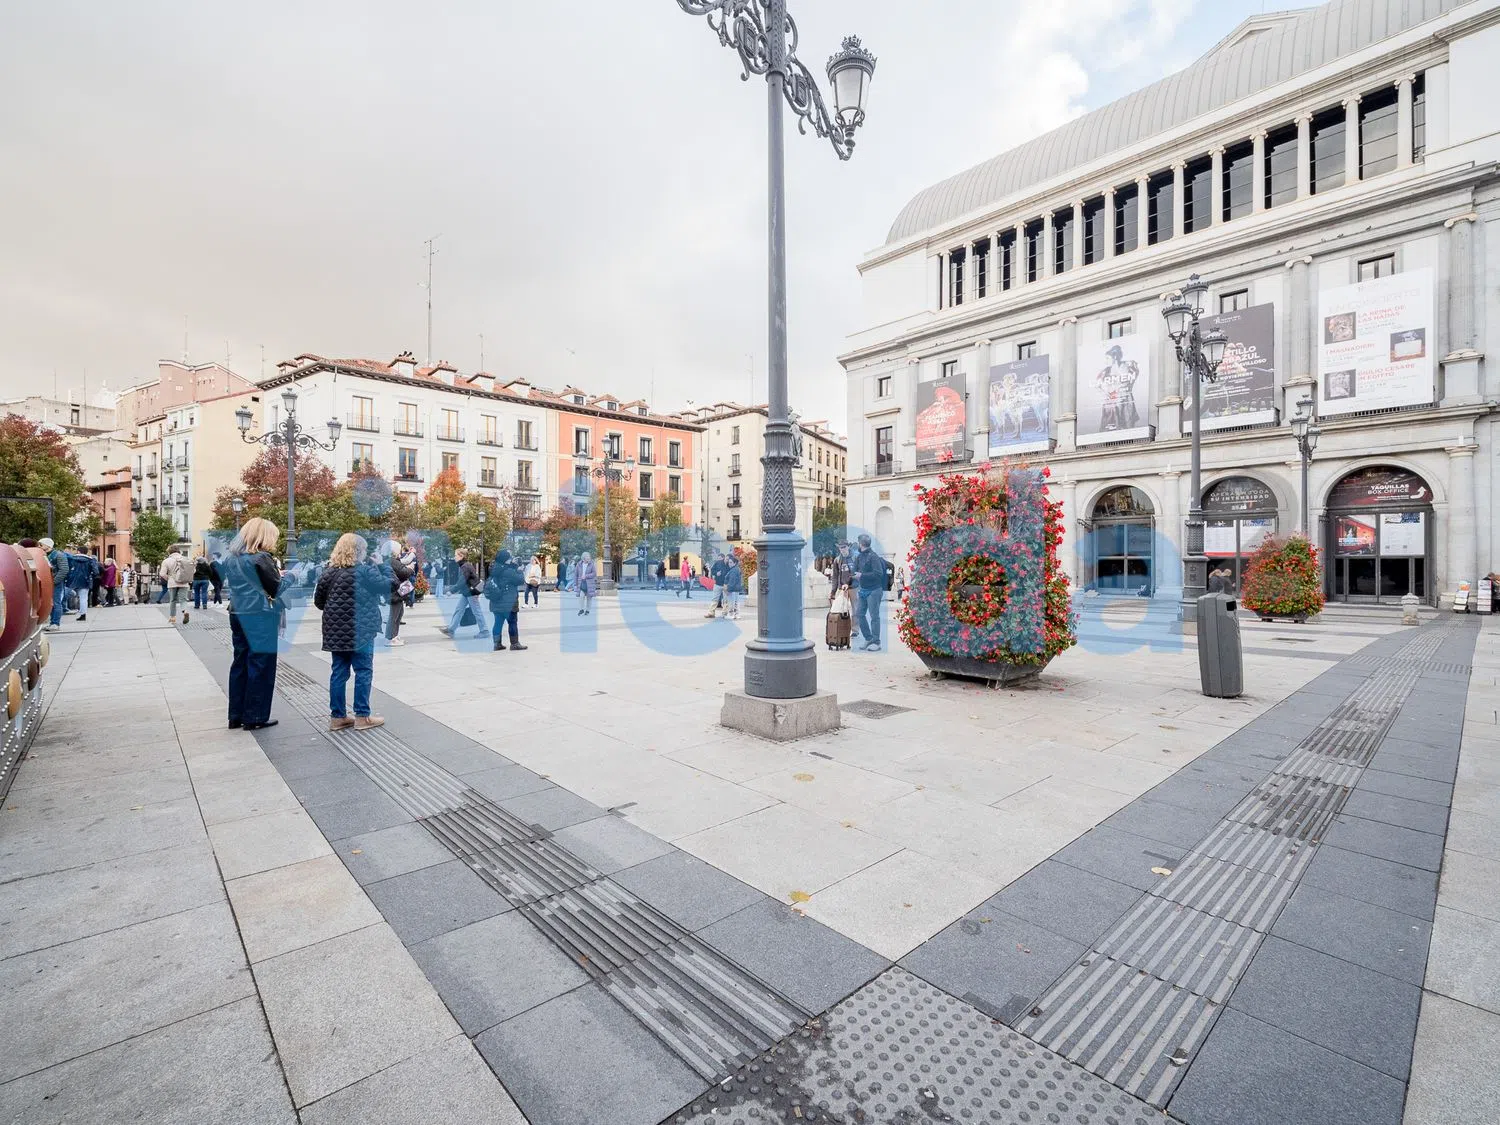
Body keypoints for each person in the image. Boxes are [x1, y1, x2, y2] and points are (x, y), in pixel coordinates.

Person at [314, 532, 387, 731]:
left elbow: (319, 602)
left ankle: (338, 717)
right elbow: (388, 586)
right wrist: (382, 565)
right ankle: (362, 716)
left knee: (338, 672)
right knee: (363, 671)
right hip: (361, 630)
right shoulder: (364, 571)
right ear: (358, 551)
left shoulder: (328, 572)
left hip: (336, 632)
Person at [221, 517, 283, 730]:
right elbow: (277, 588)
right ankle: (255, 716)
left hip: (237, 612)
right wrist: (290, 577)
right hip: (259, 614)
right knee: (261, 664)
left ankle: (235, 715)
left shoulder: (231, 558)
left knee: (240, 662)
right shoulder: (261, 558)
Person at [484, 549, 529, 651]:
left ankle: (497, 644)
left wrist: (513, 566)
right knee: (512, 622)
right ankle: (514, 644)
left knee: (498, 622)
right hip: (509, 603)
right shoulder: (508, 572)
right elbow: (520, 580)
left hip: (496, 602)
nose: (511, 560)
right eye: (509, 558)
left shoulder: (494, 569)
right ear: (505, 560)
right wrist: (520, 571)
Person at [439, 548, 488, 638]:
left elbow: (462, 581)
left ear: (461, 556)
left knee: (476, 611)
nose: (454, 557)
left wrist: (452, 590)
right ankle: (451, 630)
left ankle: (484, 631)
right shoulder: (464, 565)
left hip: (471, 592)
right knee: (459, 610)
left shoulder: (465, 566)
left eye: (456, 555)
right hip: (467, 592)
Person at [852, 533, 887, 651]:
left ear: (861, 544)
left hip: (874, 590)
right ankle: (868, 638)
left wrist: (862, 575)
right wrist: (853, 576)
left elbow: (878, 574)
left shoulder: (873, 556)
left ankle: (876, 642)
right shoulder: (859, 557)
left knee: (874, 616)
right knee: (860, 614)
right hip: (863, 590)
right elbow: (854, 570)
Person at [383, 537, 415, 646]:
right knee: (394, 615)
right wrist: (410, 568)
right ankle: (390, 638)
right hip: (394, 592)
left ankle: (395, 636)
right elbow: (404, 572)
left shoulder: (391, 560)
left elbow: (402, 565)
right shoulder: (392, 561)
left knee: (399, 613)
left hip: (396, 592)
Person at [160, 545, 193, 624]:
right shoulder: (186, 559)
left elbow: (162, 573)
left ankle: (173, 618)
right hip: (184, 582)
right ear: (179, 551)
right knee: (183, 599)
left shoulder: (166, 561)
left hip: (172, 583)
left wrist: (169, 578)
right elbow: (193, 570)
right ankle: (185, 611)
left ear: (169, 552)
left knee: (172, 600)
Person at [43, 538, 67, 630]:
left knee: (56, 602)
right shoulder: (50, 555)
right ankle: (53, 622)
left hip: (55, 582)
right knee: (52, 603)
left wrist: (54, 581)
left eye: (41, 544)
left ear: (48, 545)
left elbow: (64, 570)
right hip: (51, 582)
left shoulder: (58, 555)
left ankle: (55, 623)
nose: (39, 546)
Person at [827, 583, 853, 650]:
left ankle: (833, 641)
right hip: (843, 586)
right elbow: (846, 607)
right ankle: (844, 642)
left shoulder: (837, 599)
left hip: (834, 612)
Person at [574, 551, 598, 616]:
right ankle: (581, 609)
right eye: (587, 557)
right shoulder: (578, 565)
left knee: (589, 598)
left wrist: (586, 576)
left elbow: (594, 574)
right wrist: (575, 584)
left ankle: (587, 610)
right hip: (581, 583)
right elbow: (576, 575)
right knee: (581, 596)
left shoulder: (592, 564)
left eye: (589, 557)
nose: (589, 559)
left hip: (589, 584)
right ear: (583, 558)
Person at [723, 553, 743, 619]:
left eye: (731, 562)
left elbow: (732, 581)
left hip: (733, 589)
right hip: (735, 589)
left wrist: (728, 589)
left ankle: (732, 614)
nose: (729, 564)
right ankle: (736, 615)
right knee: (736, 602)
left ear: (734, 563)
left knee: (732, 602)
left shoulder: (734, 570)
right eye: (729, 562)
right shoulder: (735, 569)